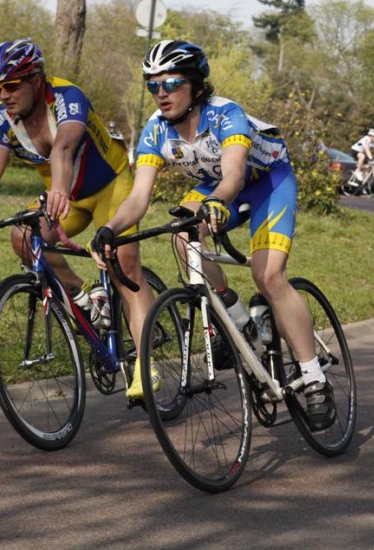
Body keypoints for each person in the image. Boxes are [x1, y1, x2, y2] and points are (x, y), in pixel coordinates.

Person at [90, 39, 336, 431]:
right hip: (215, 185)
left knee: (268, 276)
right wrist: (109, 229)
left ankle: (313, 378)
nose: (161, 93)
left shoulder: (225, 115)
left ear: (195, 84)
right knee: (181, 232)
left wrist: (219, 200)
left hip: (267, 180)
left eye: (170, 83)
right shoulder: (156, 130)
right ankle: (234, 318)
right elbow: (138, 197)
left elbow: (236, 173)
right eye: (152, 85)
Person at [0, 38, 154, 399]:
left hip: (110, 185)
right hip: (67, 197)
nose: (3, 95)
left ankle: (146, 363)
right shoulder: (1, 120)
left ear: (36, 79)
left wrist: (58, 189)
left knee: (122, 262)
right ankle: (84, 297)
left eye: (11, 85)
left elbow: (64, 147)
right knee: (23, 237)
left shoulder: (67, 97)